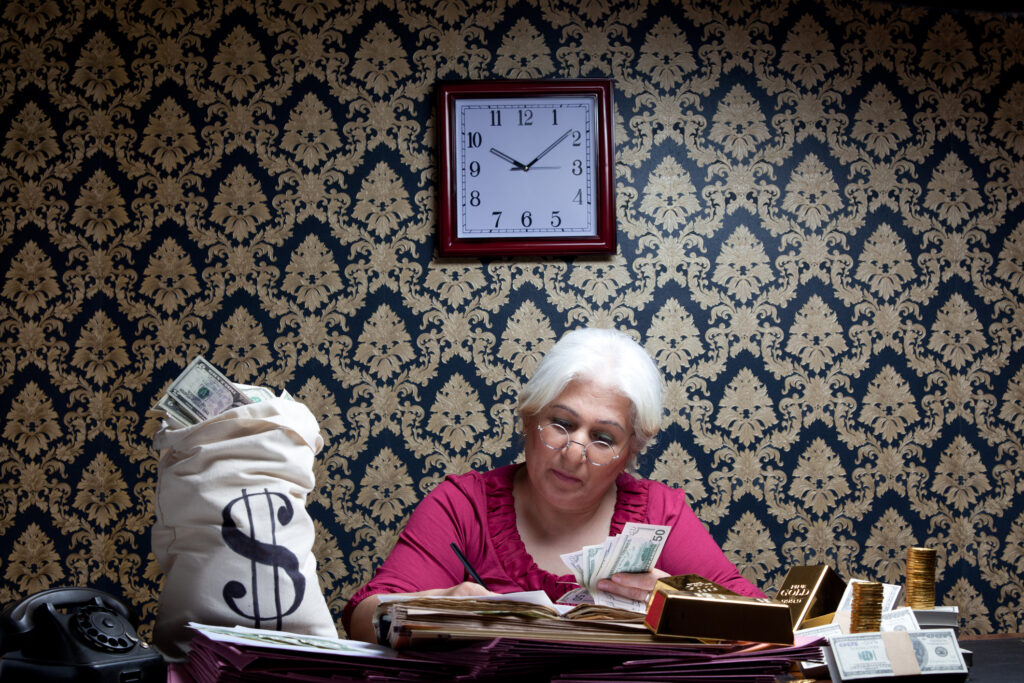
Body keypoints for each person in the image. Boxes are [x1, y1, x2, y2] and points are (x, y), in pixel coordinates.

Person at [341, 327, 764, 642]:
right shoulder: (462, 505)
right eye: (560, 423)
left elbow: (765, 623)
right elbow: (361, 619)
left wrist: (682, 604)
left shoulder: (660, 513)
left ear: (630, 452)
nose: (574, 450)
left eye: (603, 438)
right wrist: (436, 605)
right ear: (529, 418)